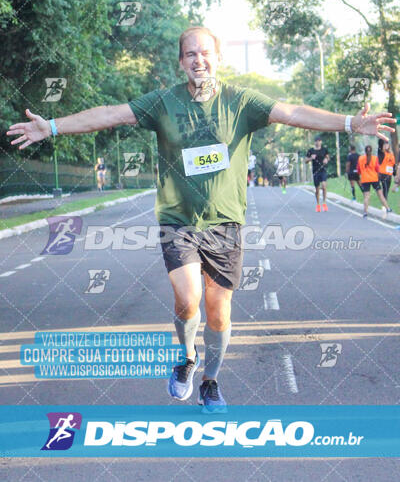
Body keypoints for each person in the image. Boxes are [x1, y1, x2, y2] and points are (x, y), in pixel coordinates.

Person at [6, 26, 395, 412]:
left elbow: (292, 112)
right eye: (190, 54)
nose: (198, 60)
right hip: (179, 222)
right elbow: (110, 114)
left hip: (226, 225)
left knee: (218, 311)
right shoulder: (162, 103)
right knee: (188, 300)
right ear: (181, 62)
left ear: (218, 57)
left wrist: (349, 123)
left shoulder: (241, 102)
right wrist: (52, 127)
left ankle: (210, 380)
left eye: (205, 52)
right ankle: (187, 355)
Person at [357, 145, 392, 218]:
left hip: (365, 179)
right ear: (371, 151)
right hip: (374, 179)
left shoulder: (360, 158)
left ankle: (365, 212)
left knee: (366, 196)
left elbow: (358, 170)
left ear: (365, 150)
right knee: (380, 195)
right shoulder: (374, 158)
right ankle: (387, 208)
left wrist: (362, 173)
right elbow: (377, 169)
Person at [305, 136, 330, 212]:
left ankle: (324, 203)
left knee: (324, 186)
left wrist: (326, 159)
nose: (317, 142)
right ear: (314, 142)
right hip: (315, 171)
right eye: (316, 141)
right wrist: (310, 158)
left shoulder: (324, 150)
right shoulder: (311, 151)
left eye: (319, 141)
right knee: (317, 189)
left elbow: (328, 157)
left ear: (321, 142)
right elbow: (306, 161)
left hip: (323, 170)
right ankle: (318, 204)